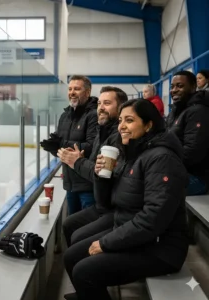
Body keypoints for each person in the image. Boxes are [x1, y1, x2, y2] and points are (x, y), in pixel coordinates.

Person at [63, 99, 189, 300]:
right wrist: (101, 175)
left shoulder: (162, 159)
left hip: (161, 248)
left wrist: (106, 242)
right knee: (72, 256)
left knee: (84, 271)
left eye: (129, 120)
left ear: (148, 125)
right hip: (135, 232)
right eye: (121, 120)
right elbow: (106, 204)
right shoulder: (133, 153)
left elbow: (153, 218)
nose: (121, 126)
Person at [58, 86, 128, 246]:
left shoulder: (118, 137)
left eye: (107, 103)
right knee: (69, 225)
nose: (101, 108)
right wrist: (82, 158)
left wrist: (77, 162)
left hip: (111, 205)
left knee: (77, 235)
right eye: (99, 103)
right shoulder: (101, 131)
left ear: (121, 108)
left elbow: (103, 173)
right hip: (101, 200)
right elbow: (96, 164)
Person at [40, 75, 98, 215]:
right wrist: (55, 148)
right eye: (70, 89)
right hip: (70, 183)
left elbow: (91, 146)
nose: (72, 92)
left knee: (86, 229)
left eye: (77, 89)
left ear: (88, 92)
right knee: (71, 226)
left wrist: (62, 144)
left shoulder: (93, 114)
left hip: (87, 185)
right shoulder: (65, 116)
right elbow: (62, 148)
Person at [167, 70, 209, 195]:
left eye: (180, 86)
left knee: (149, 183)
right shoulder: (175, 111)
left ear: (193, 87)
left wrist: (163, 163)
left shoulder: (198, 111)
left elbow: (192, 152)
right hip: (176, 169)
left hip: (197, 178)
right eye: (172, 86)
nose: (174, 90)